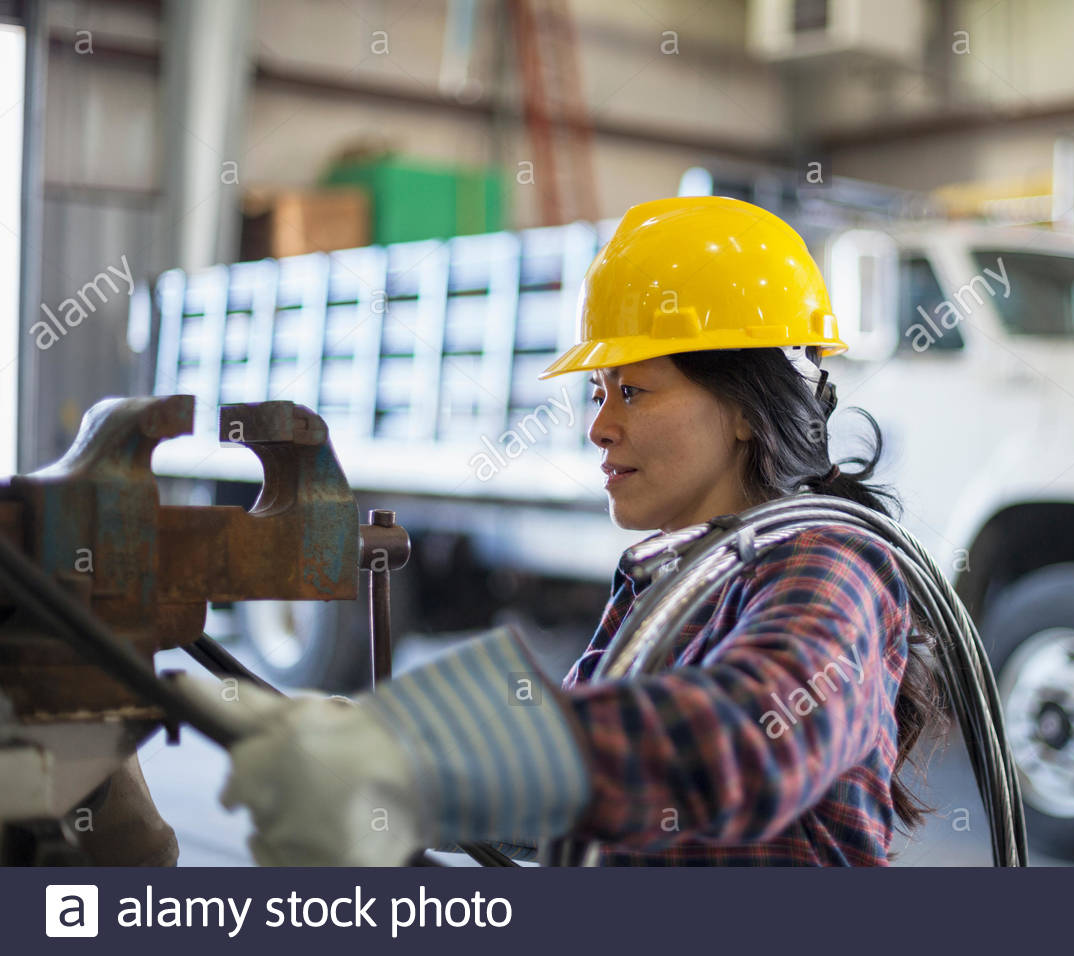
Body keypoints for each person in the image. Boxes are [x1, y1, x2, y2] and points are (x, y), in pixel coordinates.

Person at [182, 196, 950, 867]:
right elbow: (570, 794)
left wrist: (415, 757)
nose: (599, 427)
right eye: (597, 391)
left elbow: (750, 740)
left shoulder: (829, 562)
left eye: (634, 391)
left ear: (749, 407)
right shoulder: (672, 576)